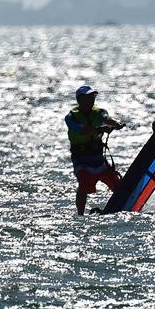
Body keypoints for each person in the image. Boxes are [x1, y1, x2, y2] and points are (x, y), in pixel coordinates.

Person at [65, 85, 125, 214]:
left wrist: (116, 124)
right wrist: (101, 129)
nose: (91, 100)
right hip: (81, 160)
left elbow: (107, 119)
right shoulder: (71, 117)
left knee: (116, 183)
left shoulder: (99, 112)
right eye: (88, 98)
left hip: (98, 159)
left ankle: (125, 206)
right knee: (84, 184)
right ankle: (80, 215)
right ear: (80, 100)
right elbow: (82, 130)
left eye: (92, 97)